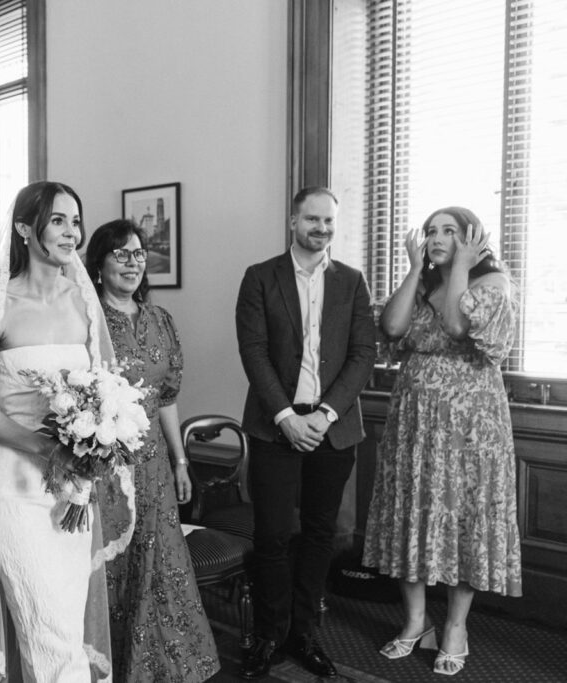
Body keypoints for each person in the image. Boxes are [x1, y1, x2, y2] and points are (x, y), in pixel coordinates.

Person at [0, 181, 134, 682]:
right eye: (58, 220)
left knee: (66, 632)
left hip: (72, 495)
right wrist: (46, 446)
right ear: (24, 229)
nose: (71, 232)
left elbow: (107, 392)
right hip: (13, 488)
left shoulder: (84, 302)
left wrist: (93, 450)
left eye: (76, 221)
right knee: (49, 636)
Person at [362, 207, 521, 676]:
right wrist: (414, 269)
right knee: (411, 511)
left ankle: (455, 627)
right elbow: (391, 328)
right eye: (431, 230)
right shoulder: (423, 280)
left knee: (462, 515)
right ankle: (415, 622)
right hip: (414, 420)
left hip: (472, 423)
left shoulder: (492, 284)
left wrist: (462, 269)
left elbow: (456, 326)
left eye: (449, 230)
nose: (435, 237)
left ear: (472, 237)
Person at [234, 186, 375, 680]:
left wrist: (326, 414)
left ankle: (305, 632)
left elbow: (363, 355)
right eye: (312, 219)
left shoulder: (353, 283)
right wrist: (286, 418)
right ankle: (270, 633)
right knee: (272, 535)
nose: (321, 229)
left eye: (329, 221)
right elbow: (253, 352)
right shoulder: (259, 278)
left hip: (333, 429)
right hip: (276, 427)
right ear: (293, 221)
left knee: (321, 534)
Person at [84, 219, 220, 682]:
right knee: (113, 566)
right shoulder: (88, 320)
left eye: (139, 254)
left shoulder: (161, 320)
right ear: (98, 264)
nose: (132, 263)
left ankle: (158, 669)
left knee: (157, 564)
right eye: (120, 254)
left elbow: (167, 396)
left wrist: (182, 460)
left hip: (156, 465)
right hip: (106, 464)